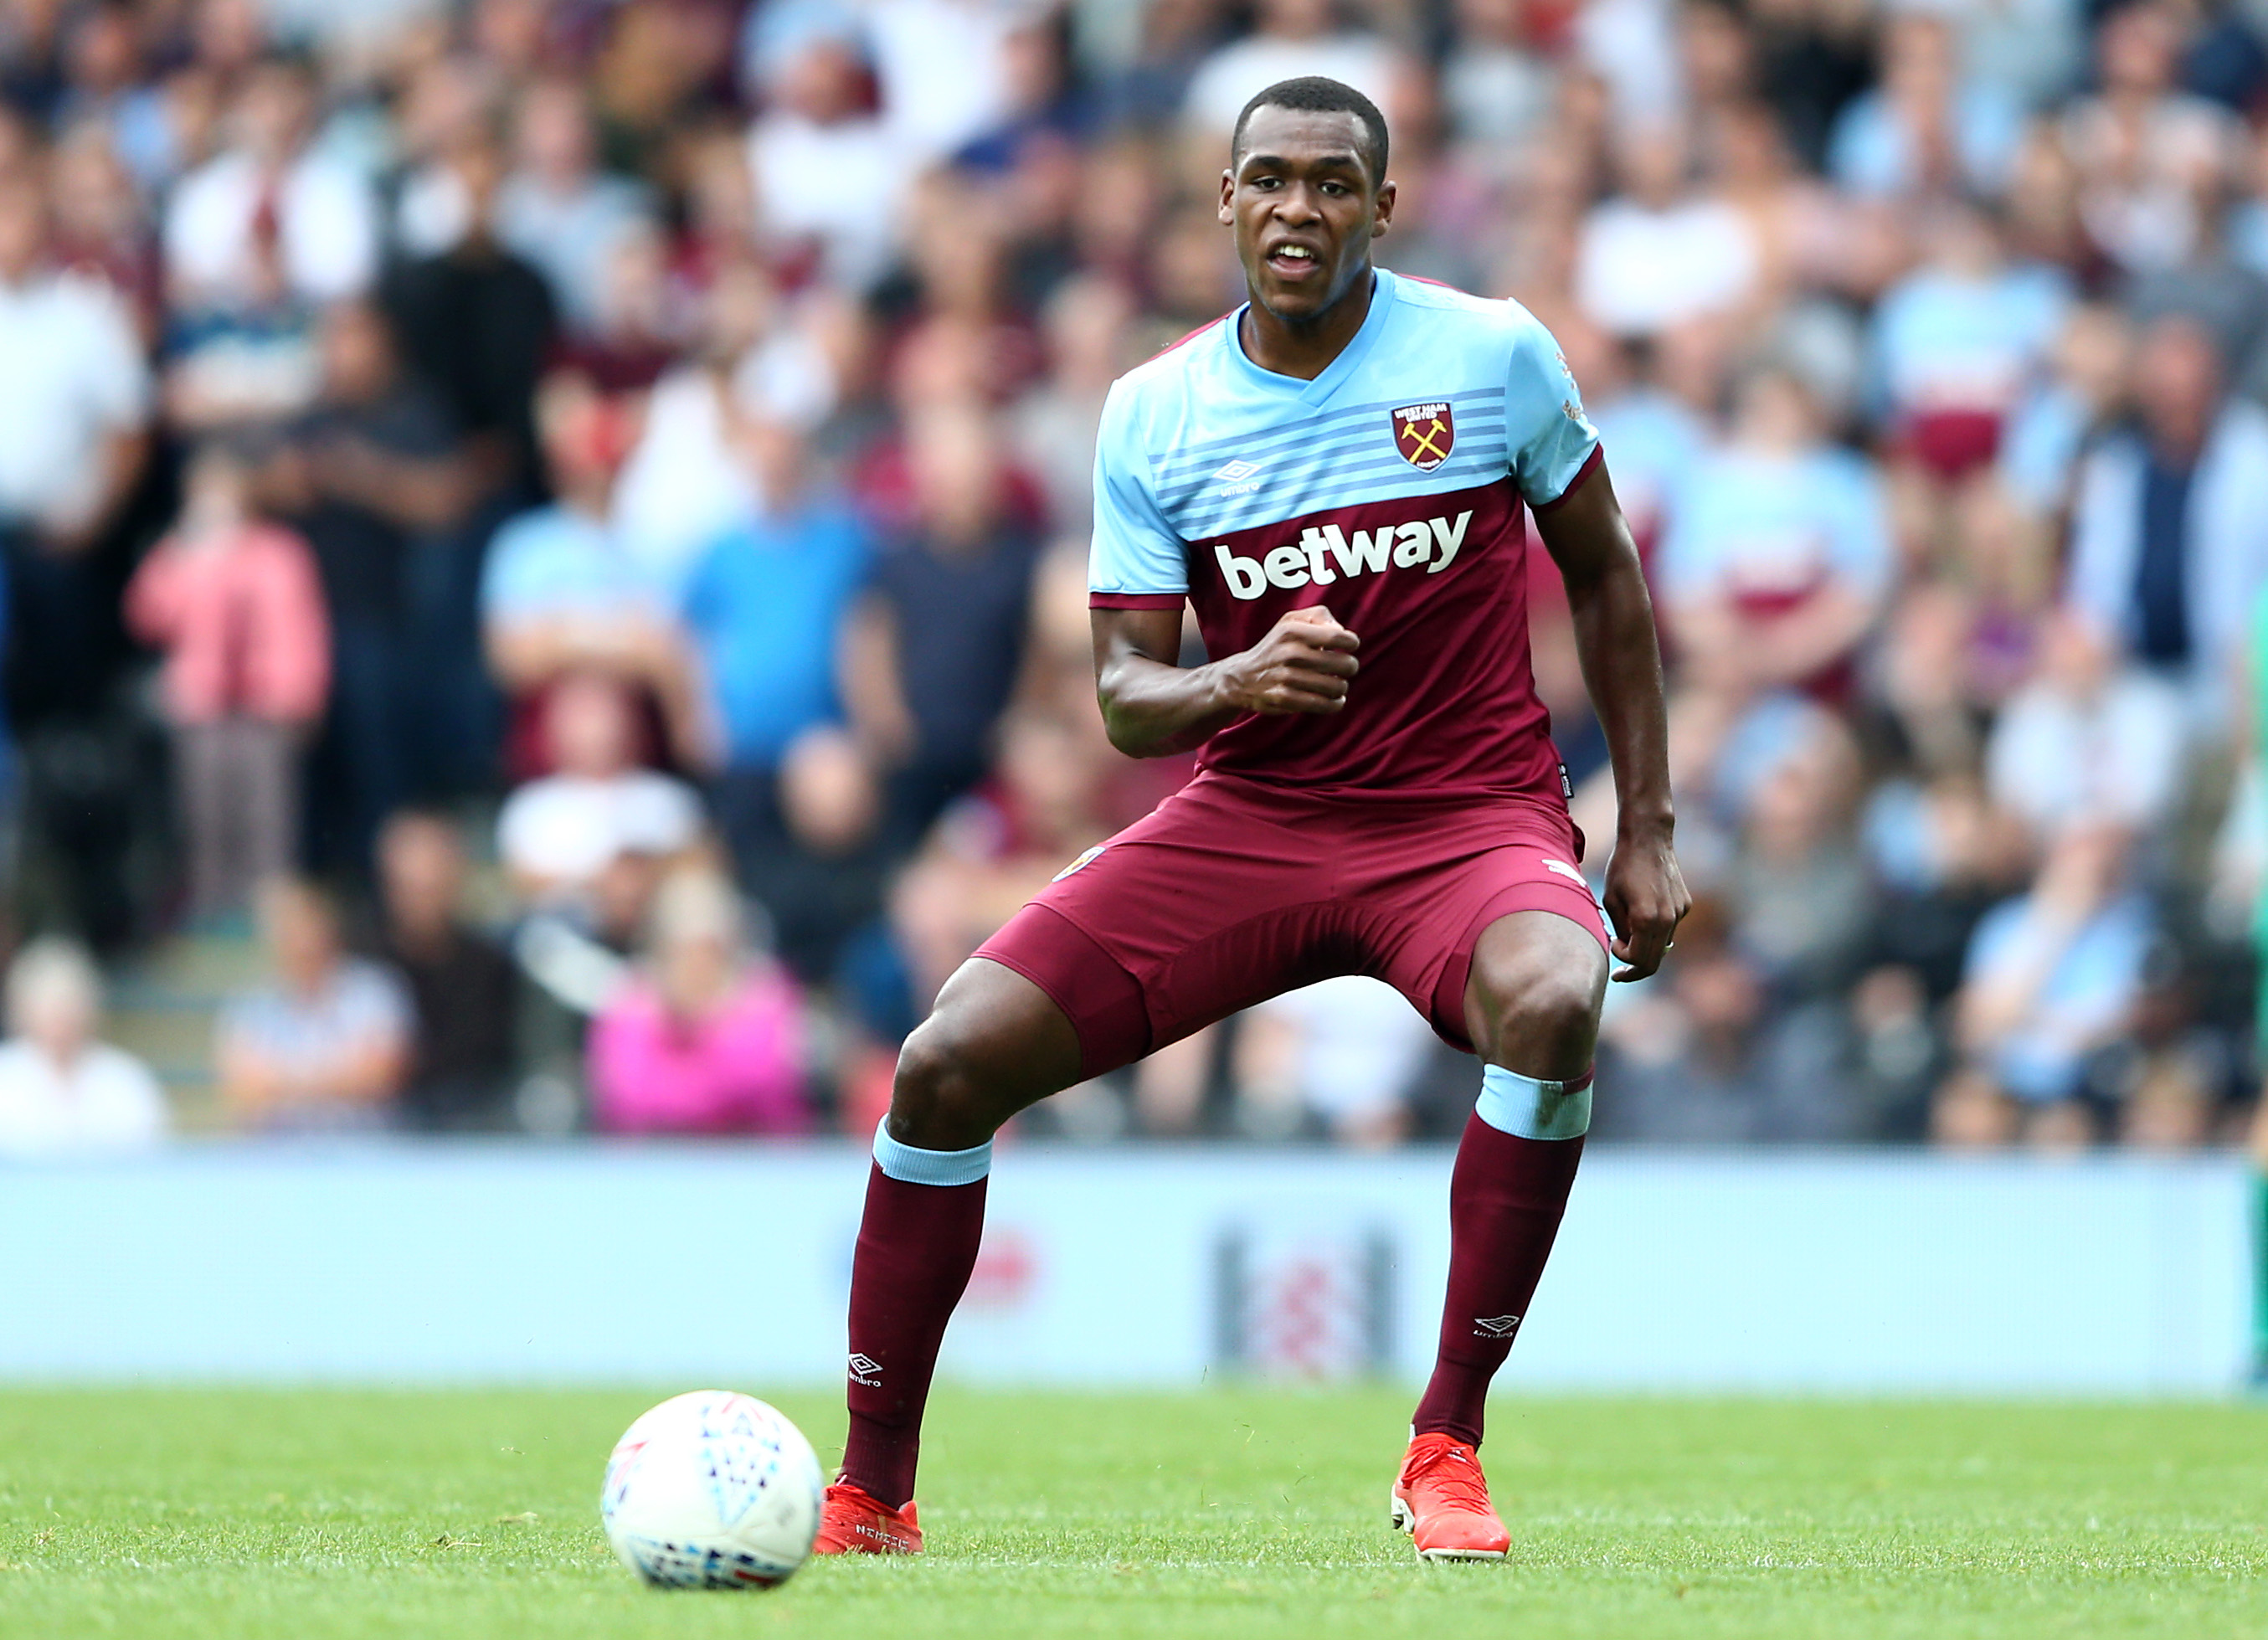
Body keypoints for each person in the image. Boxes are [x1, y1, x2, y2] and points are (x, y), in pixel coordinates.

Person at [813, 79, 1689, 1560]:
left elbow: (1603, 574)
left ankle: (1445, 1441)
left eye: (1333, 183)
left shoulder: (1486, 355)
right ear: (1221, 201)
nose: (1299, 208)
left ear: (1381, 207)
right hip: (1252, 816)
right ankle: (870, 1487)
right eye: (1268, 181)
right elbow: (1120, 698)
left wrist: (1649, 825)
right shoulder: (1154, 413)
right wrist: (1240, 673)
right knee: (945, 1058)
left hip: (1464, 820)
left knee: (1551, 999)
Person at [125, 441, 328, 919]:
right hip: (203, 706)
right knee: (205, 814)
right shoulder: (181, 553)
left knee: (269, 812)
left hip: (268, 706)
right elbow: (146, 618)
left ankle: (271, 913)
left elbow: (303, 626)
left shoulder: (282, 552)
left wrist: (307, 694)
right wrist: (183, 554)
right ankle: (213, 912)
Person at [586, 866, 810, 1136]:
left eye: (709, 951)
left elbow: (766, 1082)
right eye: (683, 952)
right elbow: (627, 1097)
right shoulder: (630, 1004)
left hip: (758, 1158)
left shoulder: (768, 998)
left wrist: (706, 1027)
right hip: (649, 1162)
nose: (696, 966)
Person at [215, 877, 411, 1132]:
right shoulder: (250, 1006)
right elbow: (245, 1090)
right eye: (288, 930)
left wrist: (283, 1081)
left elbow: (380, 1077)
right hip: (276, 1158)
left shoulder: (373, 991)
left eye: (306, 927)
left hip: (365, 1154)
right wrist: (339, 1077)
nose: (300, 941)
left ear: (328, 929)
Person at [376, 809, 521, 1132]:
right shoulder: (364, 963)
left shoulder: (491, 966)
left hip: (472, 1128)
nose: (424, 895)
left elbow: (489, 1060)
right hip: (382, 1133)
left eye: (435, 882)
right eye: (414, 886)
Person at [0, 936, 167, 1156]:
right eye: (50, 1009)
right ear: (22, 1012)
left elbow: (155, 1159)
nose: (60, 1021)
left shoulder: (126, 1080)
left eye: (68, 1007)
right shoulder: (6, 1077)